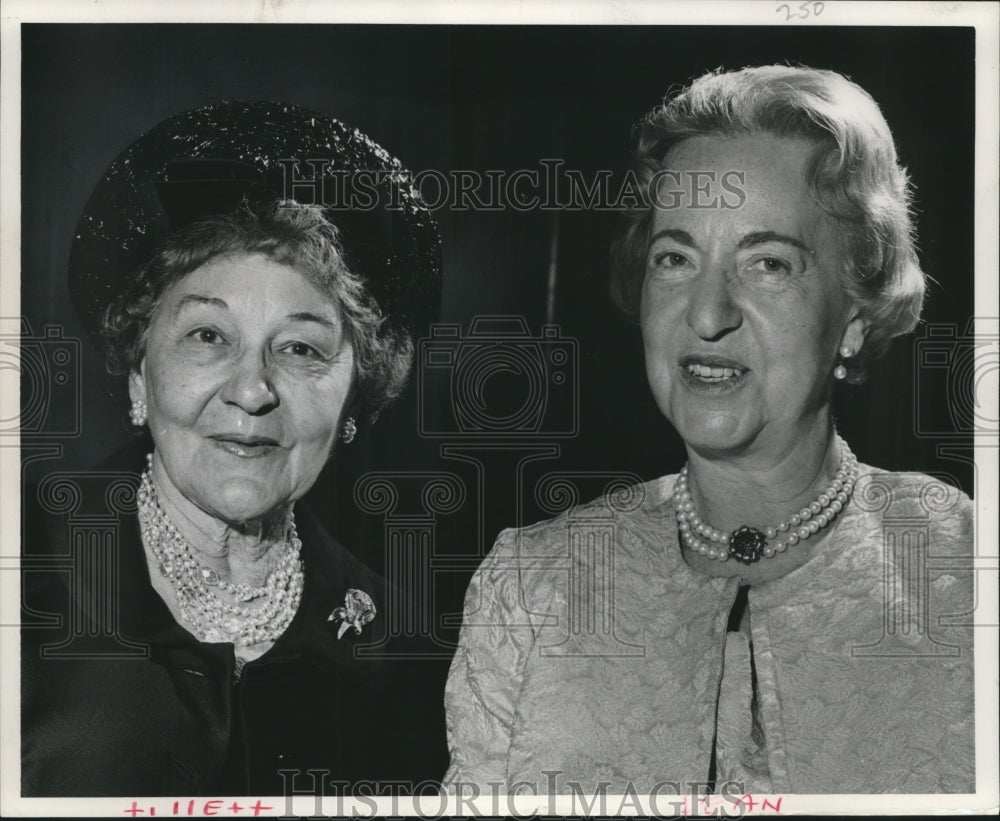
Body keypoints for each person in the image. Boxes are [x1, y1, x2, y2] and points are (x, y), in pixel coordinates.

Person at [442, 65, 975, 795]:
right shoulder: (531, 585)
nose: (706, 313)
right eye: (675, 258)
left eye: (768, 263)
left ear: (855, 314)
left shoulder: (963, 567)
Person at [21, 102, 447, 796]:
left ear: (353, 401)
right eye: (208, 336)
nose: (252, 391)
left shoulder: (406, 648)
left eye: (301, 348)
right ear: (139, 372)